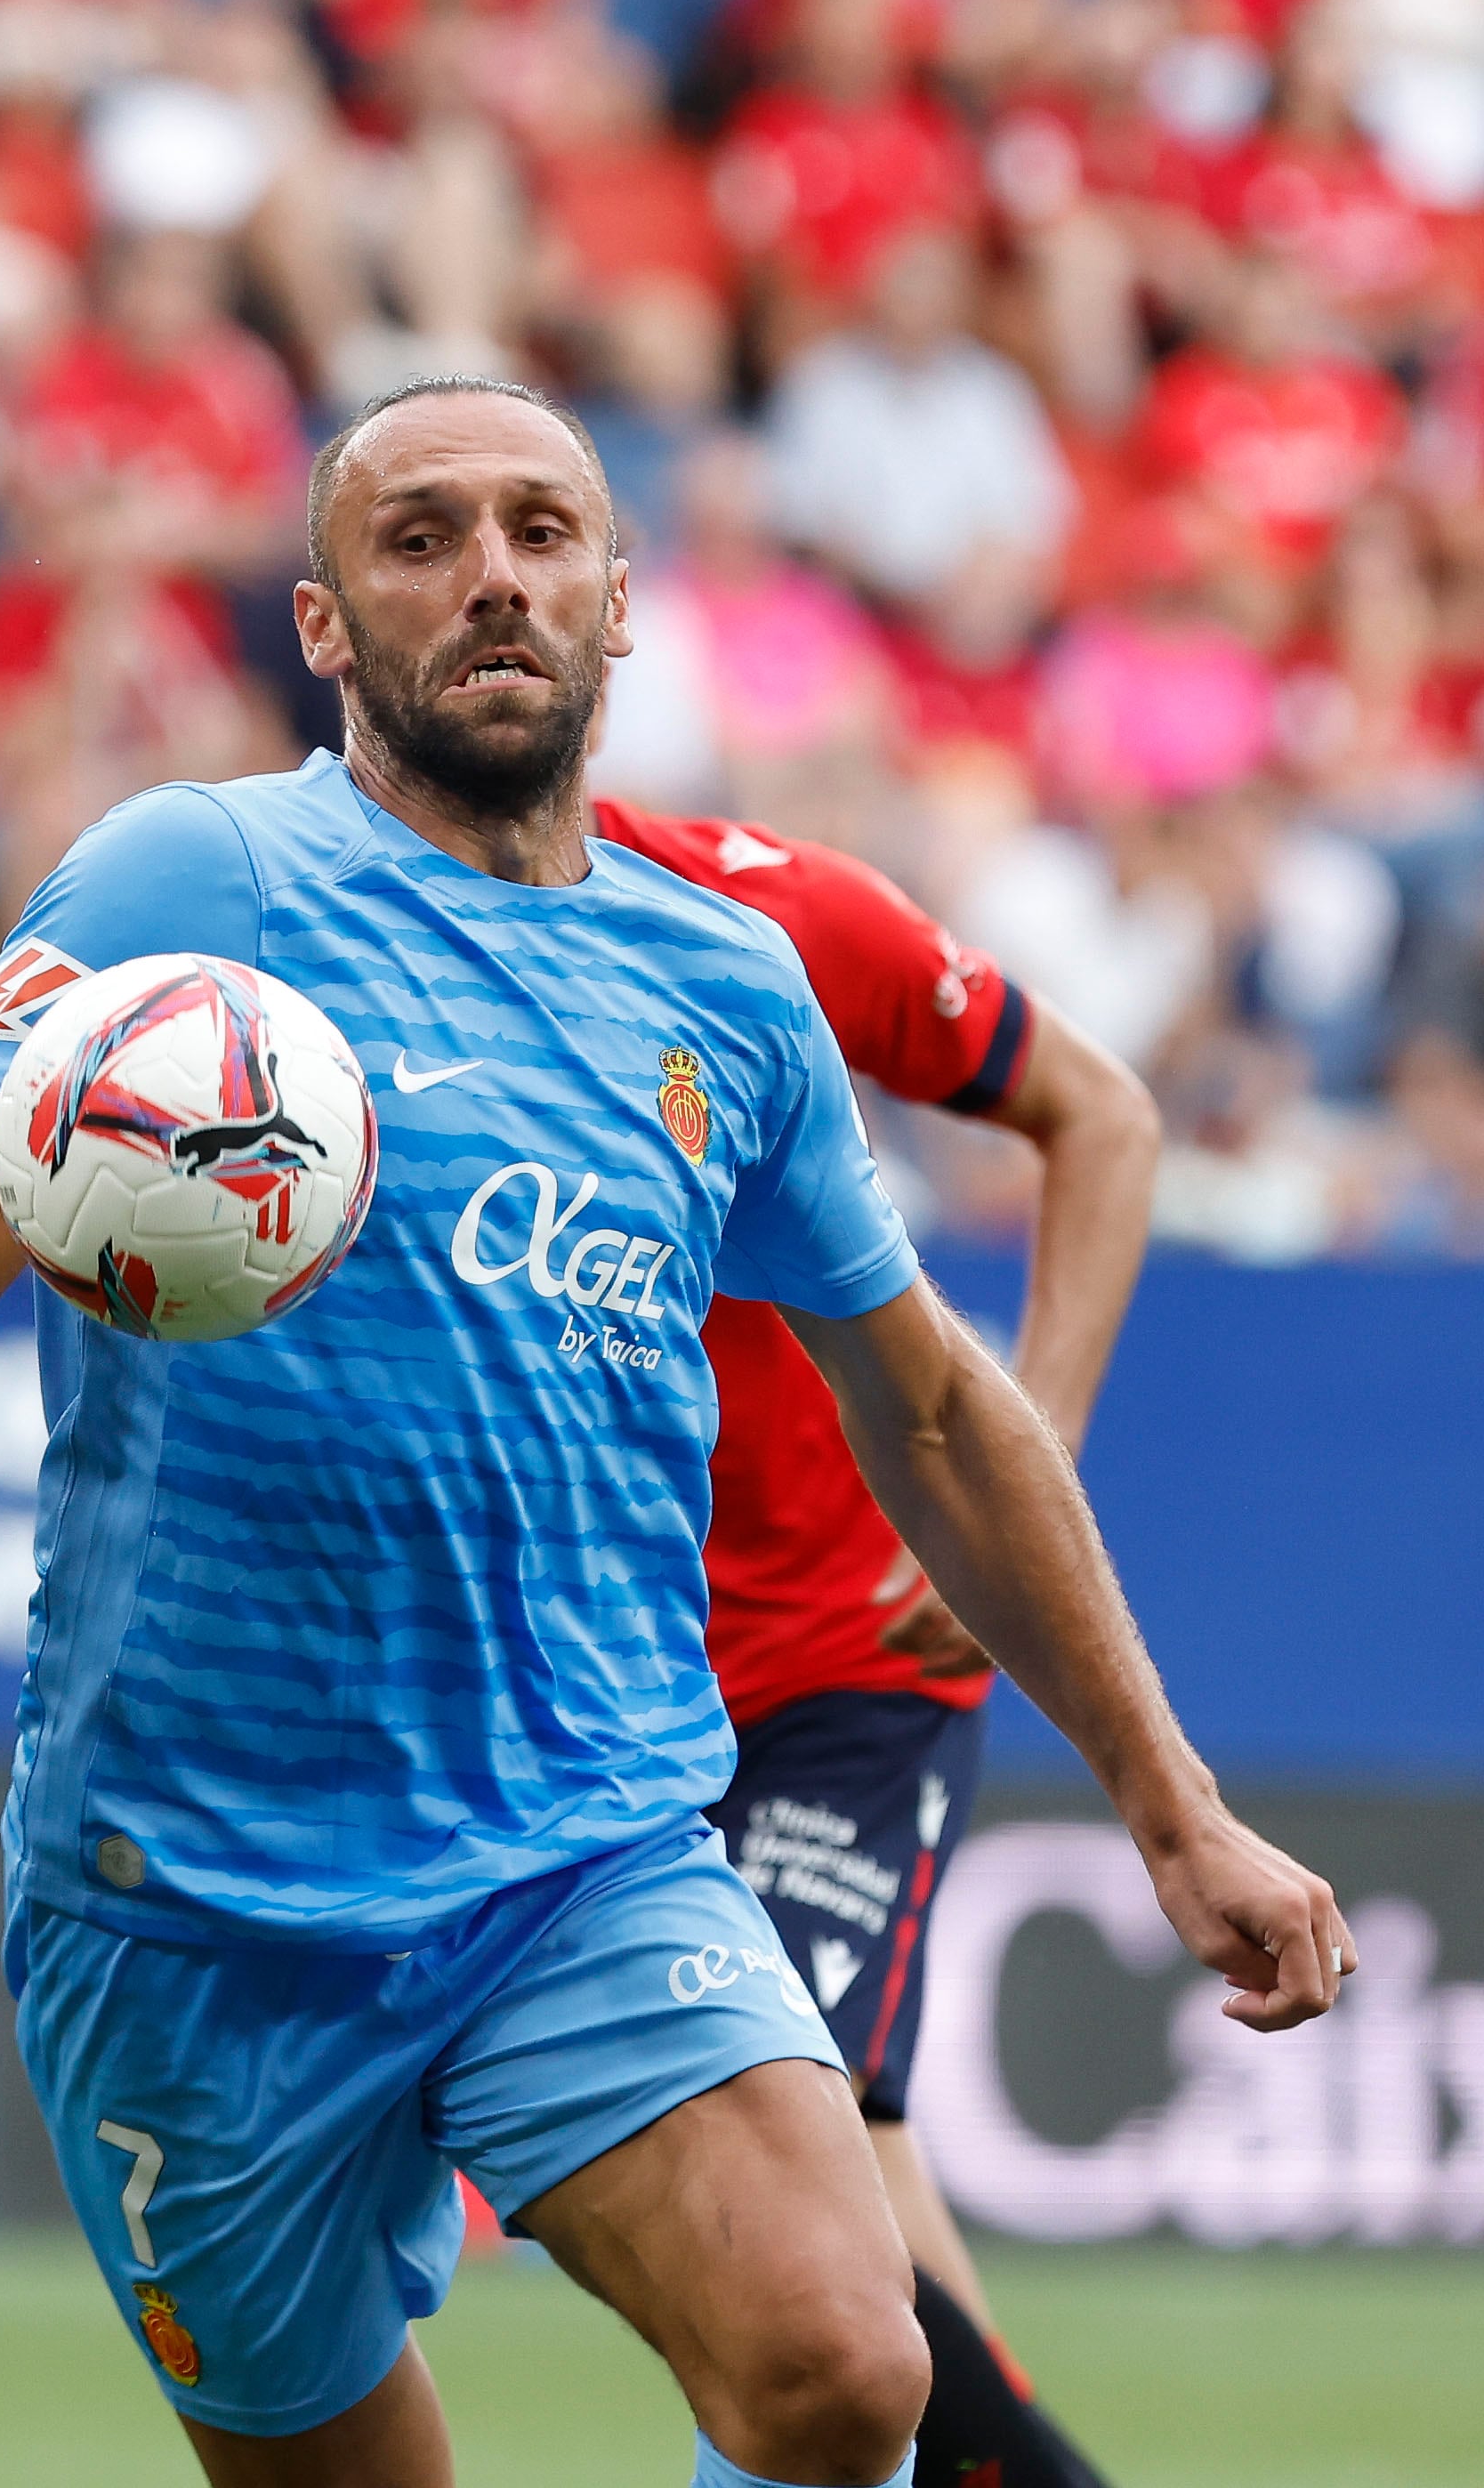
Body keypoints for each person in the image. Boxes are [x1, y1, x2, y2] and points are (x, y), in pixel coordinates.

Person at [0, 376, 1356, 2488]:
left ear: (622, 602)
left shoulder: (730, 988)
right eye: (422, 535)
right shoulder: (193, 877)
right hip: (187, 1898)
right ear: (322, 620)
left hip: (584, 1851)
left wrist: (1169, 1805)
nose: (491, 577)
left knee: (843, 2357)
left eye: (543, 531)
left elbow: (923, 1395)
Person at [599, 797, 1152, 2488]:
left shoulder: (776, 915)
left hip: (850, 1662)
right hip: (607, 1691)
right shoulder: (364, 944)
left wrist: (1024, 1464)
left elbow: (1104, 1118)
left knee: (780, 2181)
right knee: (852, 2188)